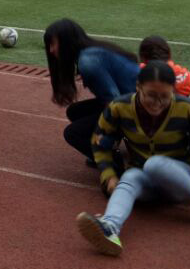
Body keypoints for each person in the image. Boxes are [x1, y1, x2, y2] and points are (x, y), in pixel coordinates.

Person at [75, 62, 190, 256]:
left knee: (153, 164)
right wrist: (108, 175)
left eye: (165, 96)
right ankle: (110, 226)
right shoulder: (119, 107)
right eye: (151, 95)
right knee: (130, 176)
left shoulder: (186, 108)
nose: (158, 102)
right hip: (146, 184)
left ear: (173, 91)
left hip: (179, 180)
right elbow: (99, 141)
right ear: (138, 87)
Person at [44, 19, 138, 164]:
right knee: (75, 111)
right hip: (137, 102)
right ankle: (115, 142)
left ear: (66, 42)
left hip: (140, 110)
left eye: (53, 44)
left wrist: (104, 137)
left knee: (73, 133)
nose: (51, 50)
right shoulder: (92, 51)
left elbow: (115, 104)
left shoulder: (88, 62)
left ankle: (115, 164)